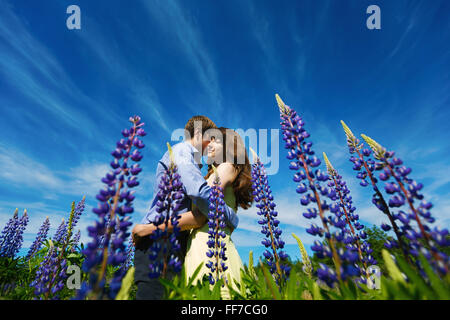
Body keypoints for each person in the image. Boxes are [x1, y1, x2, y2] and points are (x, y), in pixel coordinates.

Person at [132, 116, 240, 300]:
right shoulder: (182, 152)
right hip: (159, 242)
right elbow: (199, 193)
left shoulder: (198, 164)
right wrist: (231, 217)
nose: (210, 146)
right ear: (198, 133)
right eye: (210, 139)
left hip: (173, 242)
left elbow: (198, 209)